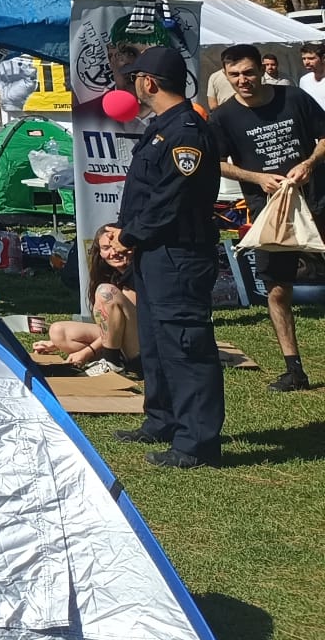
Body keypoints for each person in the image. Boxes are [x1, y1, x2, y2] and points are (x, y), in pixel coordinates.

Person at [113, 45, 225, 468]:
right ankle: (162, 419)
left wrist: (130, 234)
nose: (134, 85)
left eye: (135, 79)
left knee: (185, 344)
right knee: (157, 340)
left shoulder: (186, 132)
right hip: (155, 251)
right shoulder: (162, 126)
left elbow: (171, 198)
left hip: (179, 251)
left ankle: (196, 442)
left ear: (148, 82)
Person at [208, 42, 322, 392]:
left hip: (317, 201)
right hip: (269, 213)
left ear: (262, 69)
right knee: (276, 288)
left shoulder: (293, 99)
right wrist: (257, 178)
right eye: (234, 75)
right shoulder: (224, 117)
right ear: (226, 76)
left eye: (248, 72)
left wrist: (308, 163)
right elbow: (216, 163)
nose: (242, 80)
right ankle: (294, 370)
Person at [34, 225, 139, 372]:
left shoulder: (139, 273)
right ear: (99, 252)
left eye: (118, 246)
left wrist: (88, 350)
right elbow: (110, 326)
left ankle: (111, 362)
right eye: (106, 248)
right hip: (120, 340)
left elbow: (129, 326)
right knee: (58, 331)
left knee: (106, 292)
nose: (114, 252)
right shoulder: (108, 275)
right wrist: (55, 344)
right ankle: (112, 360)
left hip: (141, 343)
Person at [300, 42, 325, 108]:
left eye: (311, 58)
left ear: (323, 58)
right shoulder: (304, 80)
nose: (306, 62)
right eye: (304, 58)